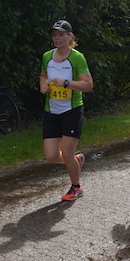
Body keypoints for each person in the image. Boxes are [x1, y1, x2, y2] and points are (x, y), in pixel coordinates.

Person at [39, 20, 94, 202]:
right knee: (51, 155)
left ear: (70, 37)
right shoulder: (47, 56)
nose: (57, 38)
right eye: (54, 35)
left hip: (72, 110)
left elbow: (88, 85)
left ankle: (76, 187)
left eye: (61, 34)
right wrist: (43, 86)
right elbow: (43, 76)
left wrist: (68, 83)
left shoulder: (77, 58)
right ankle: (76, 162)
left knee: (67, 152)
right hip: (52, 111)